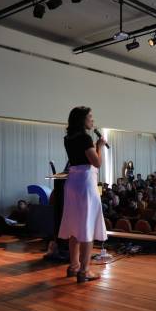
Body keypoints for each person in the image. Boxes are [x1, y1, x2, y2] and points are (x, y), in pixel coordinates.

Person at [58, 106, 107, 283]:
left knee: (74, 227)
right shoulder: (85, 138)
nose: (93, 120)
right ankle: (85, 271)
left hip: (72, 183)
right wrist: (99, 146)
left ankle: (74, 266)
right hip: (86, 184)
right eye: (90, 117)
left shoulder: (68, 138)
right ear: (82, 120)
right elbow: (97, 162)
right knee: (87, 226)